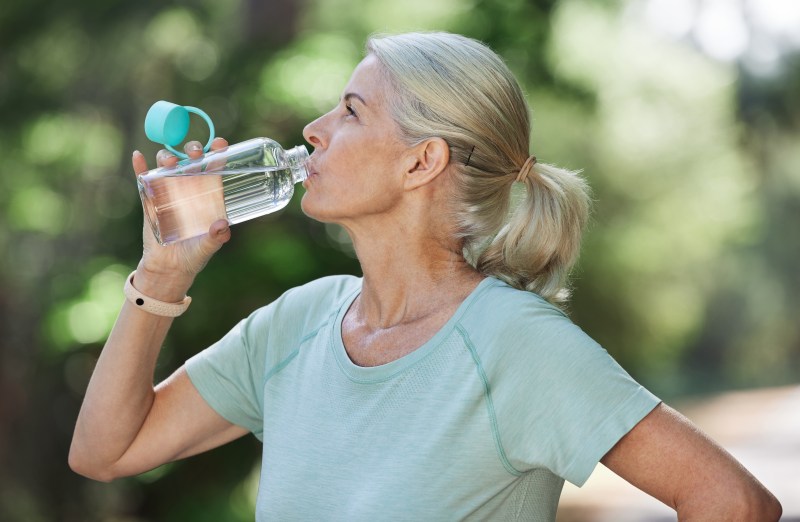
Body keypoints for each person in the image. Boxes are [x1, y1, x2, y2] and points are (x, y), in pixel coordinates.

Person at [70, 32, 782, 520]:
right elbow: (107, 451)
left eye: (350, 110)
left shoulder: (514, 344)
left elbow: (733, 501)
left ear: (422, 162)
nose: (313, 129)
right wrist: (159, 275)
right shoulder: (301, 321)